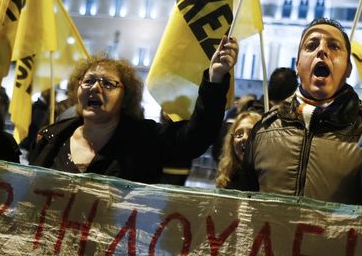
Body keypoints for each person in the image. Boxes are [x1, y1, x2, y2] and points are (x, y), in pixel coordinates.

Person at [238, 18, 362, 211]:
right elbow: (241, 208)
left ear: (348, 69)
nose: (322, 50)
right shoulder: (265, 129)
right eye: (311, 46)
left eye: (334, 47)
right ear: (298, 65)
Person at [29, 37, 237, 184]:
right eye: (89, 81)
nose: (95, 88)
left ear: (126, 96)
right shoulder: (51, 137)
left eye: (108, 83)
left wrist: (215, 79)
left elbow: (196, 137)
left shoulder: (146, 140)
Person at [216, 110, 262, 189]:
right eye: (239, 134)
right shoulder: (227, 176)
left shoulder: (267, 178)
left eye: (252, 133)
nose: (244, 138)